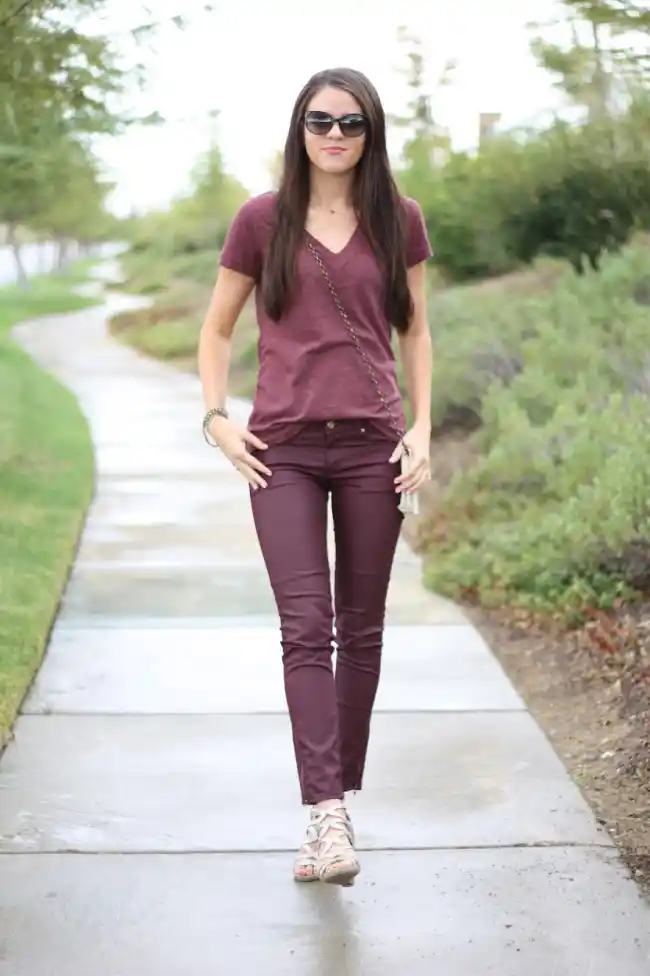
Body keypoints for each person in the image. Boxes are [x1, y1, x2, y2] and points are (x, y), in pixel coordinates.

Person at [197, 66, 433, 887]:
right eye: (321, 120)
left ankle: (330, 806)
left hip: (373, 445)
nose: (335, 135)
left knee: (360, 631)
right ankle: (327, 815)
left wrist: (423, 428)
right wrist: (218, 419)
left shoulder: (397, 219)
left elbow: (417, 333)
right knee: (306, 627)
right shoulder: (262, 221)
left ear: (372, 133)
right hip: (284, 452)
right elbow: (218, 330)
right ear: (299, 128)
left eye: (352, 122)